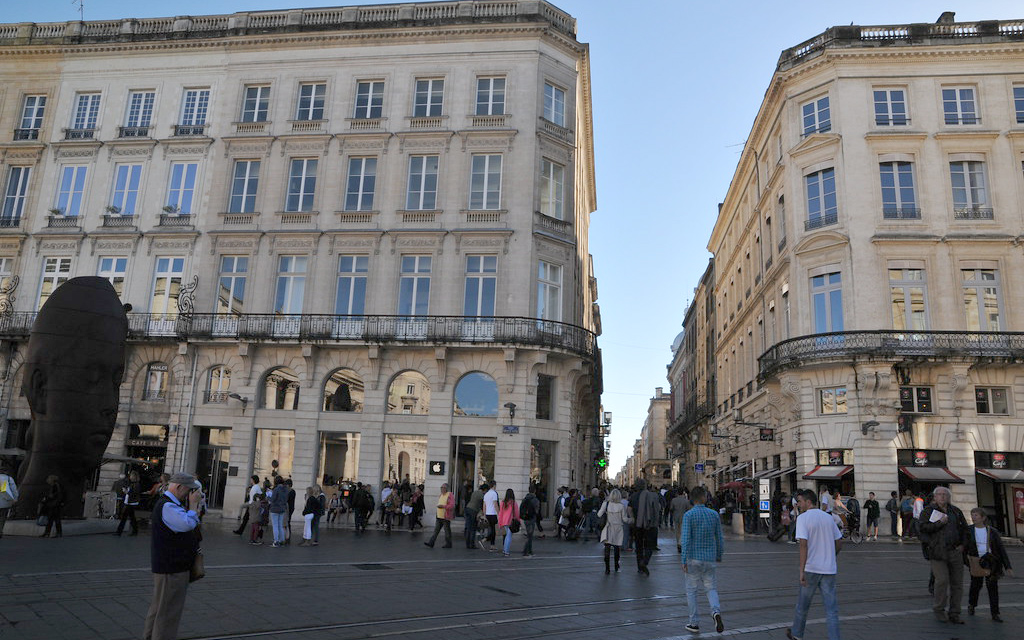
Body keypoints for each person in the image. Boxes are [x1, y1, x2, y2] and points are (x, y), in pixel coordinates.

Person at [143, 471, 202, 640]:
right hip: (172, 569)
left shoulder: (170, 505)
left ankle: (149, 637)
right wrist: (193, 507)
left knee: (159, 609)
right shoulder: (168, 506)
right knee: (168, 613)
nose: (189, 494)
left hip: (169, 566)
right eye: (188, 490)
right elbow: (187, 524)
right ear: (178, 487)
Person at [787, 489, 842, 640]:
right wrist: (832, 556)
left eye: (800, 502)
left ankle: (797, 635)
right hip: (829, 569)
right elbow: (839, 542)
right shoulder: (828, 518)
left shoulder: (803, 519)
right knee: (831, 610)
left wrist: (801, 570)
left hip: (811, 568)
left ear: (808, 502)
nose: (798, 504)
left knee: (802, 607)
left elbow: (803, 545)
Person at [919, 486, 969, 624]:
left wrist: (963, 545)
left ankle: (955, 612)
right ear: (935, 497)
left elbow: (965, 529)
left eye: (945, 494)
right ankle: (939, 609)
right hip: (937, 551)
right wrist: (939, 523)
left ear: (948, 497)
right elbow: (922, 528)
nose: (942, 497)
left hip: (955, 551)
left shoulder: (956, 511)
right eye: (939, 494)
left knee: (957, 583)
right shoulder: (928, 511)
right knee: (942, 580)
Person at [681, 487, 725, 634]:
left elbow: (685, 539)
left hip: (693, 558)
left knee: (692, 591)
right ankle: (715, 612)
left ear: (692, 499)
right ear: (705, 498)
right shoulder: (714, 515)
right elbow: (719, 537)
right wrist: (719, 554)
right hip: (709, 558)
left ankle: (694, 623)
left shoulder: (689, 515)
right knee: (711, 588)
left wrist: (683, 560)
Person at [965, 507, 1013, 622]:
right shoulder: (968, 530)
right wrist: (967, 562)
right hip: (976, 561)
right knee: (976, 586)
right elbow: (964, 547)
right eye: (972, 515)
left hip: (991, 562)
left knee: (992, 587)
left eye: (976, 515)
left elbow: (1001, 549)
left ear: (983, 517)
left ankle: (995, 613)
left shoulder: (992, 531)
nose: (973, 517)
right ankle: (972, 604)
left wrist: (1008, 566)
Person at [633, 479, 662, 576]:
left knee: (639, 546)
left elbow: (629, 510)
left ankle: (639, 567)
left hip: (637, 525)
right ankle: (644, 562)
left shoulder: (633, 496)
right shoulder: (652, 495)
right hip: (649, 525)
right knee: (649, 546)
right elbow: (657, 508)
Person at [598, 488, 629, 573]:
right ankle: (616, 566)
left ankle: (607, 569)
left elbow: (599, 514)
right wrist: (632, 520)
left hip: (608, 527)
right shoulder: (621, 506)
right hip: (618, 528)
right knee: (616, 548)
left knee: (607, 548)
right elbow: (625, 519)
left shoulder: (606, 504)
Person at [424, 483, 454, 548]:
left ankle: (448, 544)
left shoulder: (450, 495)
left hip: (445, 516)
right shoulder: (441, 495)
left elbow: (451, 506)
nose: (442, 489)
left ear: (446, 489)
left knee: (447, 531)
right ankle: (431, 542)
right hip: (439, 515)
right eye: (441, 488)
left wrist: (443, 506)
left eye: (443, 488)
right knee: (436, 530)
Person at [115, 470, 142, 536]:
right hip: (130, 502)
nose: (129, 477)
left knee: (124, 517)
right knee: (132, 518)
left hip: (131, 503)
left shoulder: (136, 484)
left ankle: (119, 532)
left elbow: (134, 494)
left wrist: (126, 492)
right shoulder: (132, 483)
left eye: (130, 475)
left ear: (133, 476)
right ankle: (135, 531)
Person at [497, 488, 520, 557]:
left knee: (507, 535)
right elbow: (516, 513)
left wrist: (500, 523)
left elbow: (500, 513)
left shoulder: (503, 503)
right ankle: (506, 551)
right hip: (511, 522)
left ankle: (505, 550)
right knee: (508, 536)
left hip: (504, 521)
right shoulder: (513, 503)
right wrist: (518, 520)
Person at [267, 475, 289, 547]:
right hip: (282, 508)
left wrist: (268, 497)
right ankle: (281, 540)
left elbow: (273, 500)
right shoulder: (286, 489)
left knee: (275, 526)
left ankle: (276, 541)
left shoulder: (276, 489)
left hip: (275, 509)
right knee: (280, 525)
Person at [520, 486, 541, 557]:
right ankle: (526, 552)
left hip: (525, 518)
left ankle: (529, 551)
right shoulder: (535, 499)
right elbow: (537, 510)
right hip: (532, 518)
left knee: (529, 535)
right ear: (534, 491)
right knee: (529, 536)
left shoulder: (525, 498)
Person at [0, 464, 19, 538]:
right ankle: (0, 531)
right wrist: (15, 498)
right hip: (5, 501)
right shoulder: (9, 479)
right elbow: (14, 490)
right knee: (2, 517)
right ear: (6, 472)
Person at [670, 489, 691, 553]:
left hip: (676, 517)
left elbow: (671, 508)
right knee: (682, 532)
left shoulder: (673, 500)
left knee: (677, 531)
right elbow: (689, 509)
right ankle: (680, 543)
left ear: (677, 493)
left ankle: (678, 543)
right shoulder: (686, 501)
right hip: (683, 517)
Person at [464, 483, 484, 548]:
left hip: (468, 508)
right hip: (473, 510)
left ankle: (467, 544)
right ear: (485, 490)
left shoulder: (474, 492)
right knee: (473, 528)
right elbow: (481, 504)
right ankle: (472, 544)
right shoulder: (481, 495)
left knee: (468, 527)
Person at [482, 481, 499, 551]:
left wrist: (484, 514)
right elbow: (495, 504)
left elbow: (484, 506)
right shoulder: (494, 494)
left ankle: (489, 542)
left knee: (491, 530)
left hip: (488, 514)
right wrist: (499, 513)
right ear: (494, 485)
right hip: (493, 514)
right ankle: (491, 544)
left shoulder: (486, 494)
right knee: (493, 531)